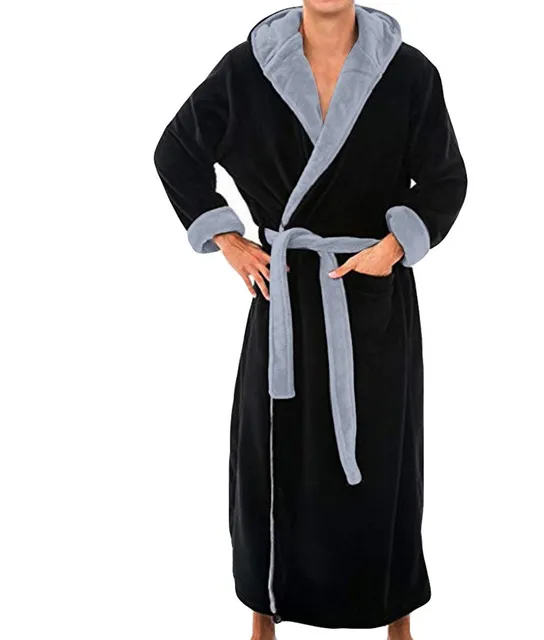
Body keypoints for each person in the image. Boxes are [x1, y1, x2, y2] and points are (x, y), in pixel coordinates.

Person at [153, 1, 467, 638]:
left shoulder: (409, 73)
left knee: (383, 456)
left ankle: (395, 618)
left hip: (372, 301)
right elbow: (176, 151)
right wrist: (227, 239)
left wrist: (393, 247)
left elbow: (445, 178)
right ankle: (264, 615)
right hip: (286, 297)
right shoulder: (248, 69)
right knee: (273, 459)